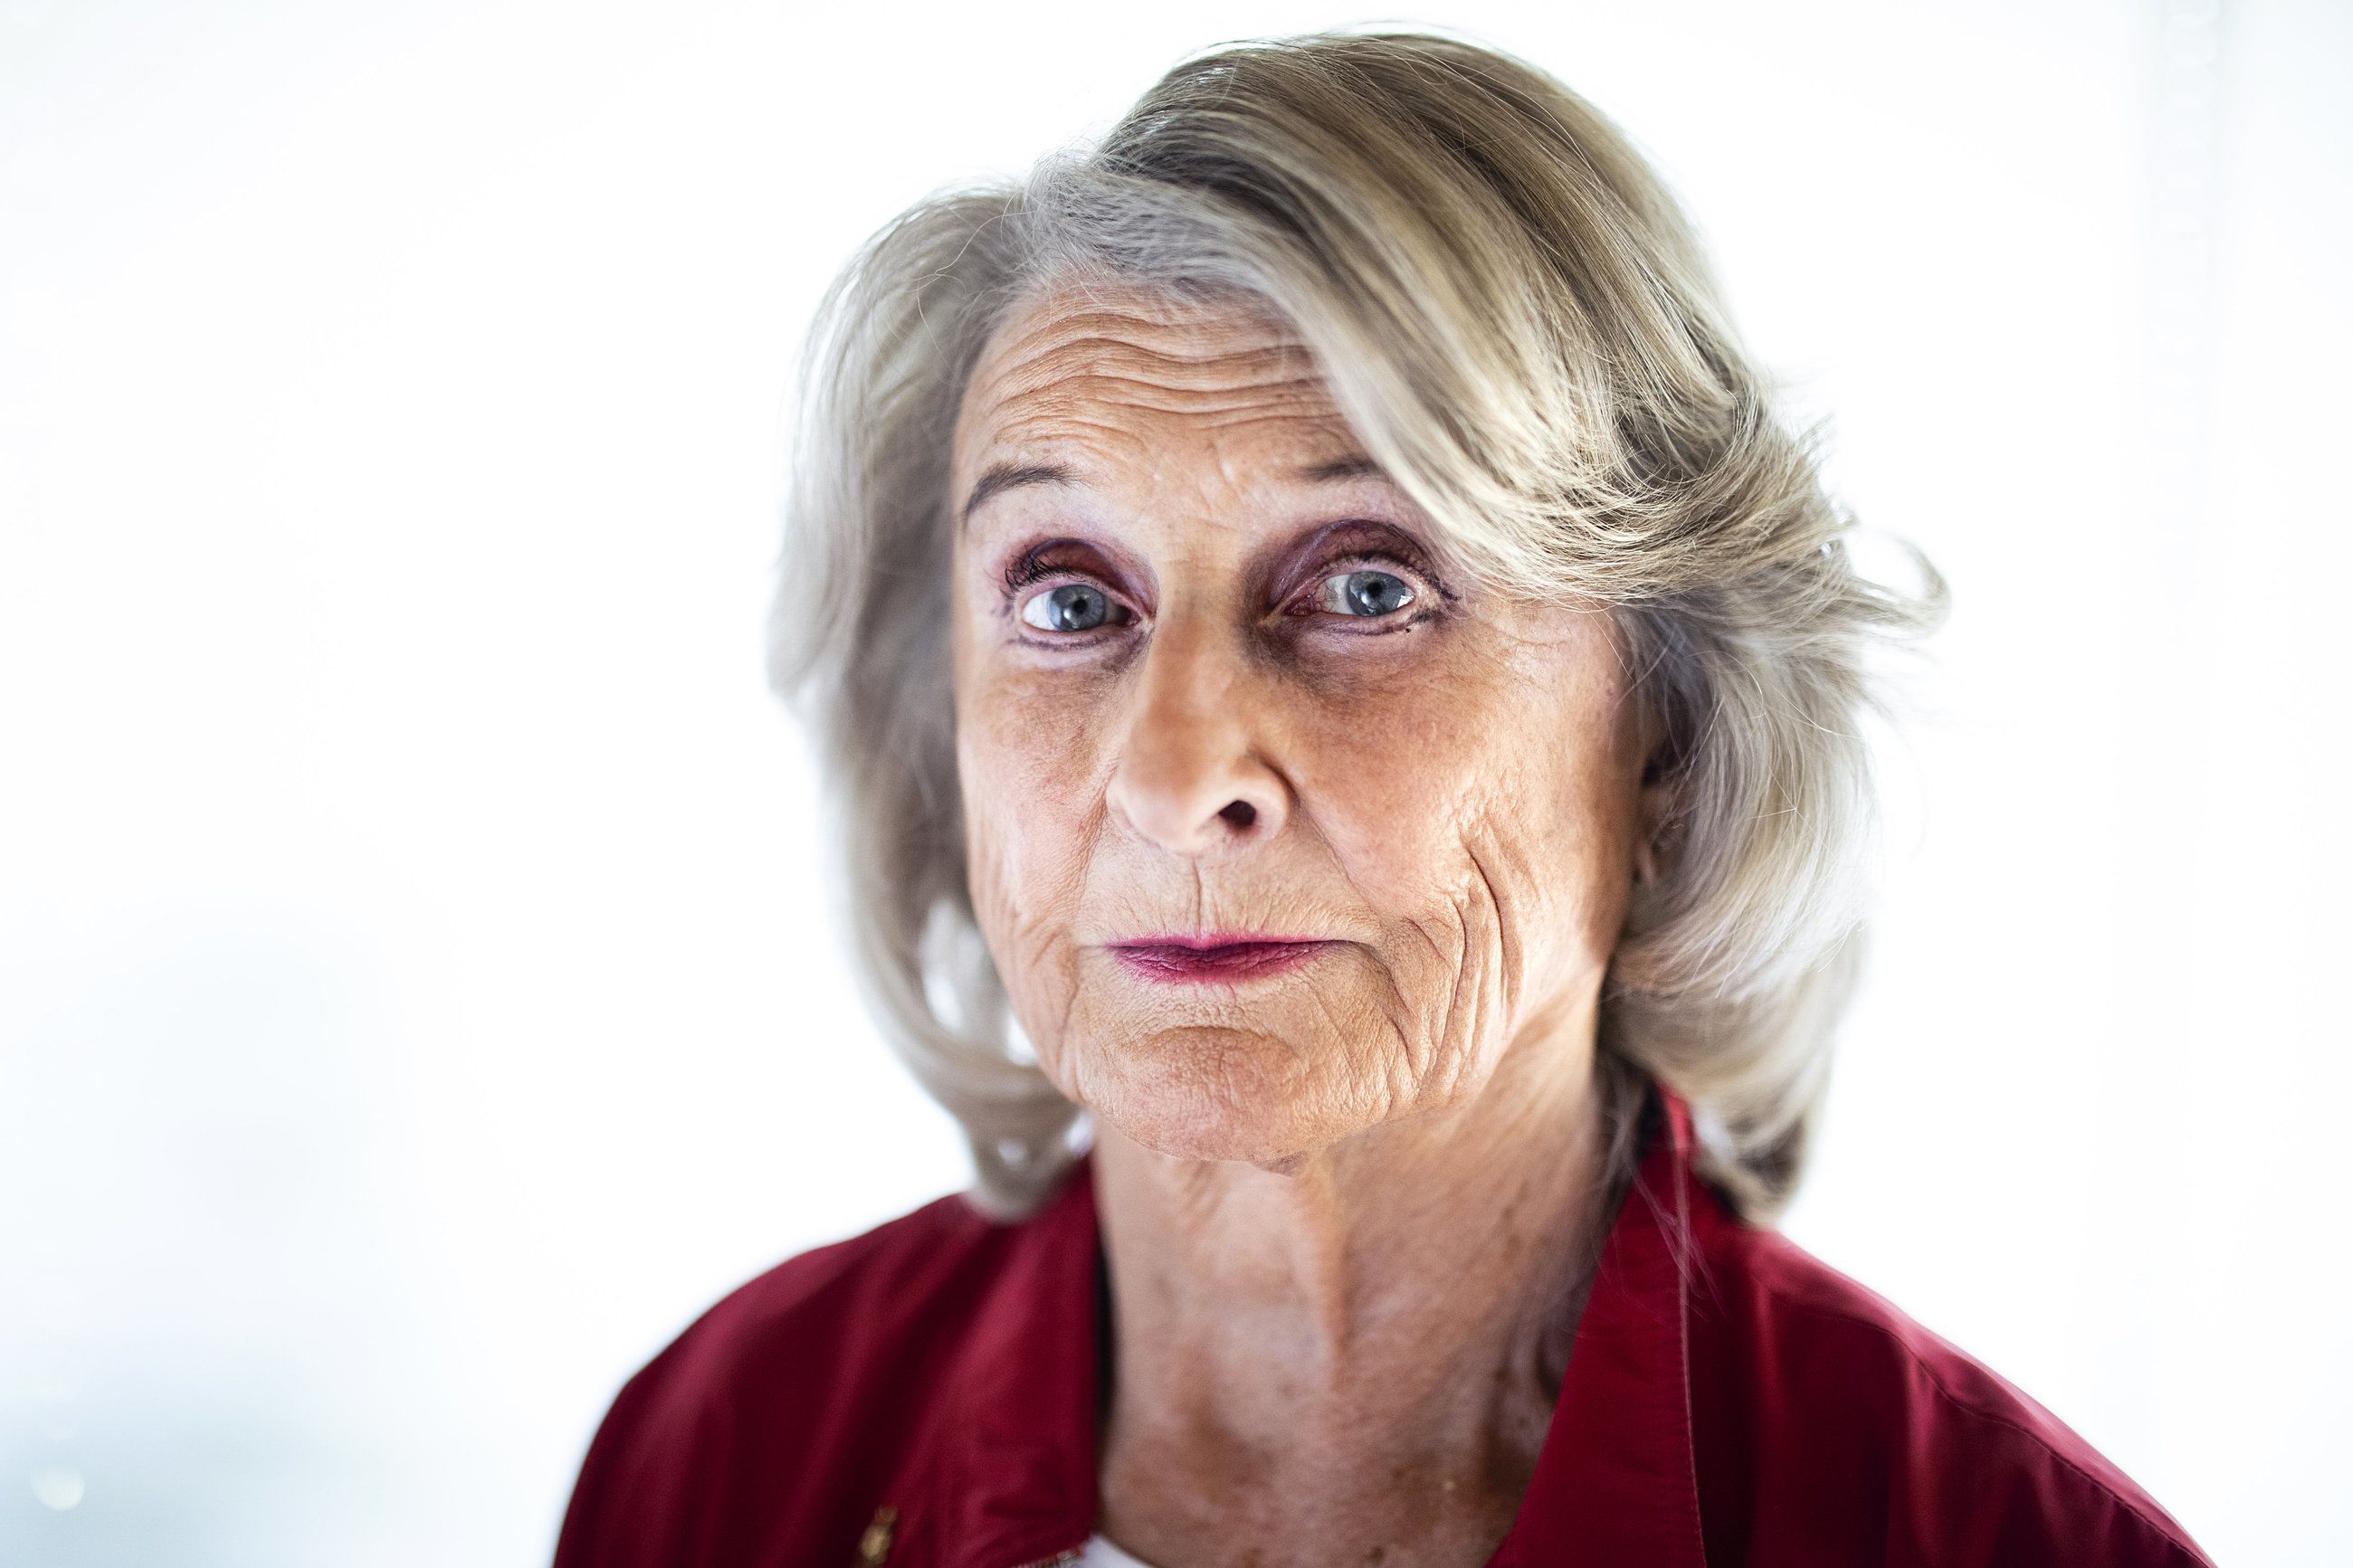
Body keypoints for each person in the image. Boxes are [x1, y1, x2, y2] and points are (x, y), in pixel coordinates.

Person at [554, 29, 2212, 1567]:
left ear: (1674, 733)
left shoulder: (1996, 1535)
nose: (1176, 778)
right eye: (1068, 598)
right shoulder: (729, 1448)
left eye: (1368, 587)